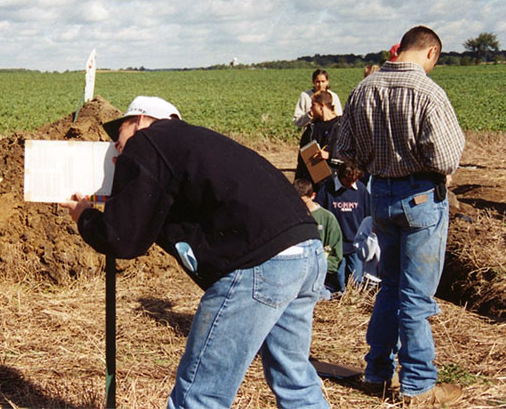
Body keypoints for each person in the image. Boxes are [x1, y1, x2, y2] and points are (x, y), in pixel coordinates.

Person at [62, 96, 329, 409]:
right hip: (306, 252)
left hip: (261, 264)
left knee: (200, 397)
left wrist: (86, 217)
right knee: (295, 381)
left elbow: (123, 238)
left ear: (139, 120)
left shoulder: (147, 140)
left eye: (118, 133)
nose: (117, 146)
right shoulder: (196, 145)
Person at [335, 26, 465, 405]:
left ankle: (377, 373)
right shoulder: (428, 92)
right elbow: (445, 158)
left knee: (389, 287)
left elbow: (346, 152)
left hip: (381, 197)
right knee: (416, 296)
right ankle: (419, 386)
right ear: (432, 53)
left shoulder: (364, 89)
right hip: (421, 198)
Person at [315, 162, 370, 292]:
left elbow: (368, 214)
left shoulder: (361, 189)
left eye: (354, 181)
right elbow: (318, 212)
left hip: (355, 243)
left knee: (356, 280)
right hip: (335, 244)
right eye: (349, 180)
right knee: (338, 279)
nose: (351, 183)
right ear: (341, 176)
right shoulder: (327, 189)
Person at [294, 178, 343, 294]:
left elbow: (336, 253)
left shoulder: (327, 218)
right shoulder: (291, 217)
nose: (301, 206)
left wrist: (321, 268)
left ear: (313, 196)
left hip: (321, 279)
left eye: (304, 202)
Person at [295, 90, 341, 182]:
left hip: (334, 180)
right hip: (312, 180)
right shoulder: (311, 128)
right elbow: (302, 157)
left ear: (321, 106)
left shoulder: (341, 126)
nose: (311, 109)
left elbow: (352, 154)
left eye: (313, 105)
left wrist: (330, 155)